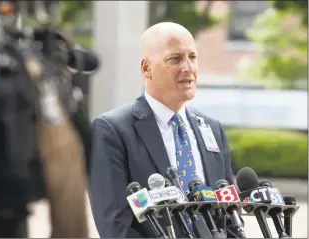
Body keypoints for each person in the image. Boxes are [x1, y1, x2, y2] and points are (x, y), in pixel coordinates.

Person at [89, 22, 234, 238]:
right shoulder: (112, 130)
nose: (188, 67)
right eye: (175, 58)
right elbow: (115, 228)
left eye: (192, 57)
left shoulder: (212, 128)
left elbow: (229, 217)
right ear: (146, 68)